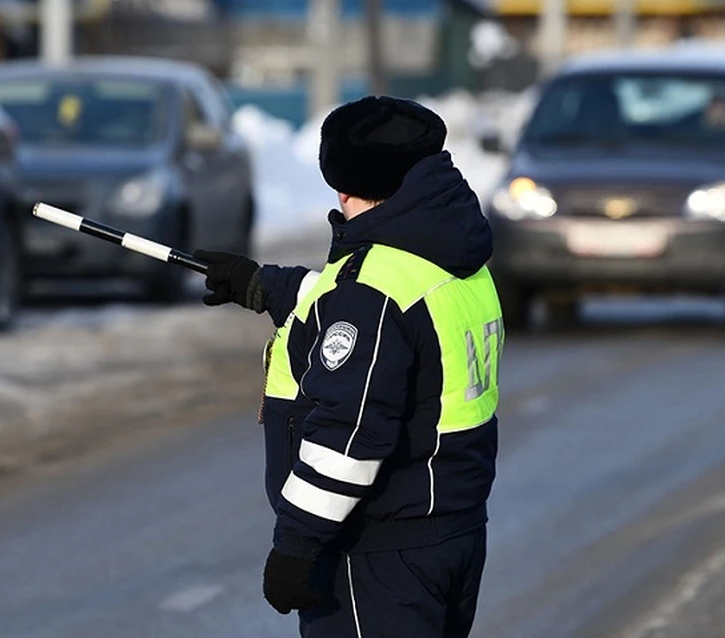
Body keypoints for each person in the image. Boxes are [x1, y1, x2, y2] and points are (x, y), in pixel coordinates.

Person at [192, 95, 503, 637]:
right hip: (450, 532)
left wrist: (297, 545)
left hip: (376, 553)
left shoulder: (373, 290)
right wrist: (270, 286)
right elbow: (398, 324)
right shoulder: (451, 252)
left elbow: (347, 438)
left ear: (349, 183)